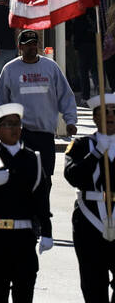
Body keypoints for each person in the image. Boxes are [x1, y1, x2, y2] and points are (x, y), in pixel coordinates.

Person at [0, 103, 52, 303]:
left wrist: (47, 232)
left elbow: (41, 198)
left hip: (22, 235)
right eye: (8, 124)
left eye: (17, 124)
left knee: (24, 291)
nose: (15, 129)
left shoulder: (33, 159)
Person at [0, 29, 77, 182]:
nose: (32, 47)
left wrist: (70, 120)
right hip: (20, 135)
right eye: (27, 45)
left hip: (45, 134)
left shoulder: (50, 67)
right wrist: (1, 130)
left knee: (45, 180)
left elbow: (66, 96)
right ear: (20, 47)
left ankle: (43, 207)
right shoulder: (10, 69)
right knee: (21, 179)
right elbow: (1, 103)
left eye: (34, 44)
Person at [65, 92, 115, 303]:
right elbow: (73, 176)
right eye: (105, 112)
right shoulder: (81, 145)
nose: (111, 116)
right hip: (89, 217)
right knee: (93, 282)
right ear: (94, 118)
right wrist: (95, 154)